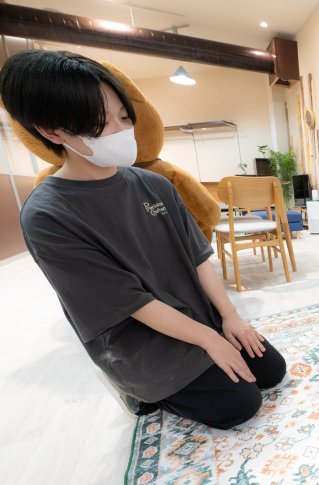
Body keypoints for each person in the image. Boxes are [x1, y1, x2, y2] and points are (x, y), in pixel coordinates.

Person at [0, 50, 286, 430]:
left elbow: (199, 256)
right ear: (52, 132)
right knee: (240, 404)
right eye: (102, 123)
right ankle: (138, 390)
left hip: (193, 315)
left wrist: (230, 318)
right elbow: (129, 303)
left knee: (271, 371)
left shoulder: (152, 184)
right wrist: (209, 341)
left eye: (124, 117)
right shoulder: (47, 215)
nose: (121, 131)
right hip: (139, 339)